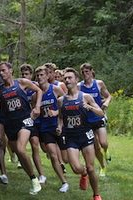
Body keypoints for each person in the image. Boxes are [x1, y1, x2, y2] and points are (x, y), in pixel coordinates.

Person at [0, 61, 43, 195]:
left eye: (3, 70)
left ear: (10, 70)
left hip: (25, 120)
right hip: (10, 124)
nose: (1, 73)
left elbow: (39, 90)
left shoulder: (21, 82)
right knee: (20, 154)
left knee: (21, 149)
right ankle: (33, 178)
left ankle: (34, 180)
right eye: (0, 71)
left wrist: (37, 107)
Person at [57, 68, 104, 200]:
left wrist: (89, 107)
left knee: (91, 167)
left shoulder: (85, 97)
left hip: (85, 134)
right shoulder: (61, 100)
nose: (67, 80)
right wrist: (59, 126)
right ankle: (83, 174)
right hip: (71, 136)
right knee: (76, 168)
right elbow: (60, 117)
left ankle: (96, 195)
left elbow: (101, 113)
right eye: (65, 78)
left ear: (76, 80)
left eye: (70, 78)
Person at [34, 66, 68, 192]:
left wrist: (56, 112)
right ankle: (64, 182)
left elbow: (68, 103)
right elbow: (34, 110)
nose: (39, 77)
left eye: (42, 75)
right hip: (45, 128)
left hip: (58, 126)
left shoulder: (55, 89)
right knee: (53, 155)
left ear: (48, 76)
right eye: (37, 75)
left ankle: (83, 172)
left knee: (66, 159)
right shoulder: (35, 95)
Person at [77, 63, 112, 176]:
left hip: (98, 116)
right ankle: (103, 166)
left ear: (92, 72)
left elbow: (109, 95)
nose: (85, 74)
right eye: (83, 72)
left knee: (103, 143)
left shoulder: (99, 83)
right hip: (87, 120)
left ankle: (106, 152)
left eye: (87, 71)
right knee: (96, 146)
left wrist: (106, 102)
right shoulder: (79, 86)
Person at [19, 64, 46, 184]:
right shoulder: (18, 87)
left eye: (26, 74)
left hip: (35, 120)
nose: (24, 76)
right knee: (25, 146)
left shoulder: (35, 87)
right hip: (22, 120)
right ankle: (36, 172)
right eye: (23, 74)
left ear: (31, 75)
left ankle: (41, 174)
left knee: (36, 146)